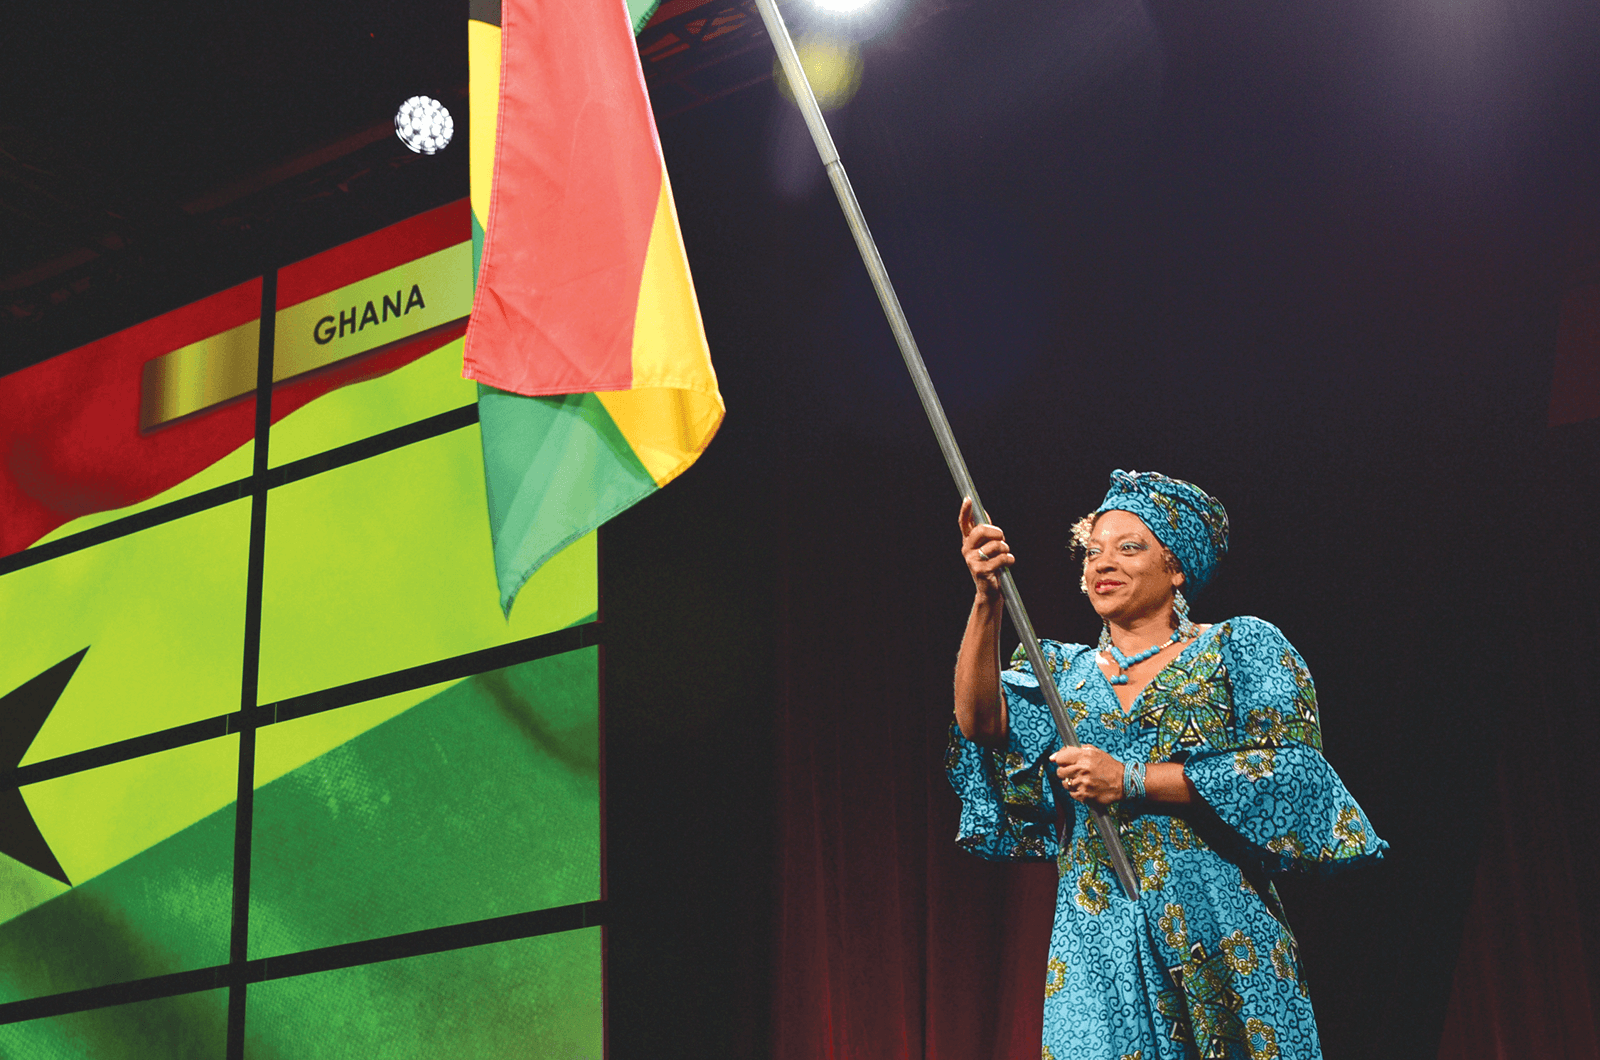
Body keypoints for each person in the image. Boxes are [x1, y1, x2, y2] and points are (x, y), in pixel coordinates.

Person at [947, 469, 1385, 1060]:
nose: (1103, 563)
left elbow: (1292, 777)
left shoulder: (1238, 649)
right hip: (1096, 937)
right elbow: (981, 723)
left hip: (1218, 932)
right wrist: (986, 599)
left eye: (1129, 548)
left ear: (1176, 569)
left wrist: (1128, 780)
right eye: (1092, 551)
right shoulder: (1058, 672)